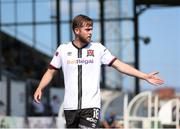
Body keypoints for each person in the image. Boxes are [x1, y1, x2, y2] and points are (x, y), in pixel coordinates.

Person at [34, 14, 164, 128]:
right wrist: (40, 87)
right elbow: (51, 71)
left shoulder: (98, 49)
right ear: (77, 30)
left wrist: (144, 76)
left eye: (91, 29)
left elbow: (119, 65)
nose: (91, 32)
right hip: (70, 107)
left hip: (91, 106)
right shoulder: (63, 49)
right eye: (87, 29)